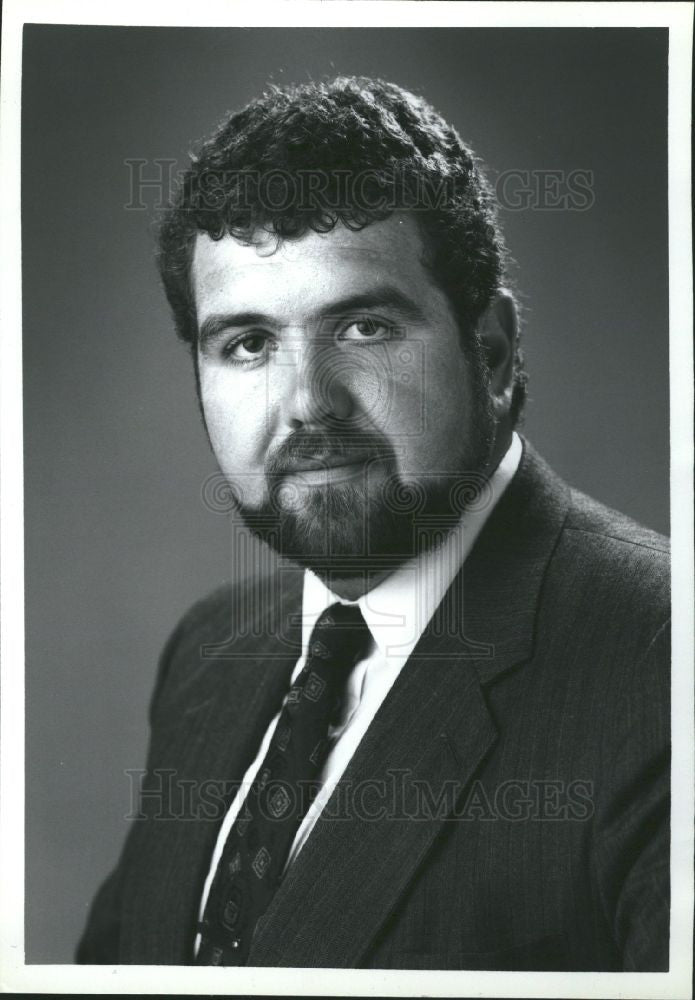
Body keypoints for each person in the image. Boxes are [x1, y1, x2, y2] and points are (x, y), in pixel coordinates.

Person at [76, 76, 670, 970]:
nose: (307, 404)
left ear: (494, 352)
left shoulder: (663, 663)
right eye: (247, 344)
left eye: (362, 328)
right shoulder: (207, 655)